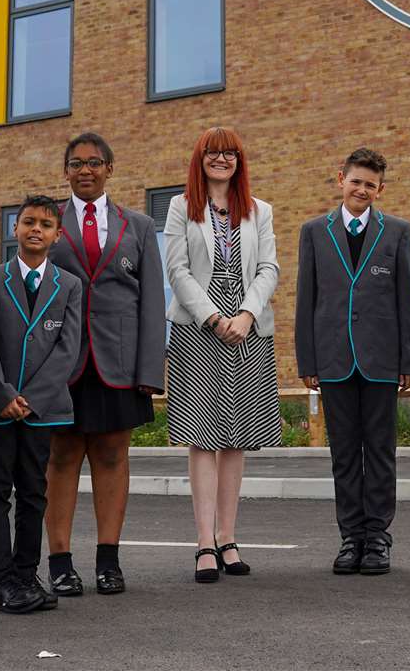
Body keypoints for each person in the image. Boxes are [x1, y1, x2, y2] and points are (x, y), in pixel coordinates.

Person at [44, 132, 166, 597]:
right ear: (66, 172)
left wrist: (149, 372)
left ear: (110, 169)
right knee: (62, 456)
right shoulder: (47, 222)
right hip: (62, 362)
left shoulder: (135, 225)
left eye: (95, 162)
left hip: (118, 361)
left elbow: (152, 301)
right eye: (76, 164)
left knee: (114, 455)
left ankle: (108, 562)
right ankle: (59, 562)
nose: (85, 171)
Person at [161, 127, 281, 583]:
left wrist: (247, 315)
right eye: (213, 153)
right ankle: (204, 544)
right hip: (199, 327)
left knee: (236, 438)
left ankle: (229, 538)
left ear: (239, 161)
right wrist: (213, 317)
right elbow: (176, 269)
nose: (222, 159)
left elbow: (269, 267)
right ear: (200, 159)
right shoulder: (179, 207)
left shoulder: (259, 210)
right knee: (203, 436)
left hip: (248, 329)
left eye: (230, 153)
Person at [294, 146, 410, 577]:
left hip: (382, 360)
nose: (362, 189)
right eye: (356, 181)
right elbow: (307, 300)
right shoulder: (314, 232)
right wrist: (307, 358)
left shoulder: (398, 232)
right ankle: (351, 537)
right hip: (332, 359)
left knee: (380, 451)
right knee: (344, 453)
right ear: (340, 180)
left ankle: (378, 537)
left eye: (370, 184)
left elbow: (406, 300)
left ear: (380, 189)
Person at [0, 194, 85, 616]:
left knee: (34, 492)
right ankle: (1, 579)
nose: (36, 229)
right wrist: (2, 394)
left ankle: (25, 573)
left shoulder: (69, 286)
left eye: (45, 224)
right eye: (28, 222)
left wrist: (31, 400)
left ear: (58, 234)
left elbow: (67, 349)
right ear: (14, 229)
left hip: (43, 409)